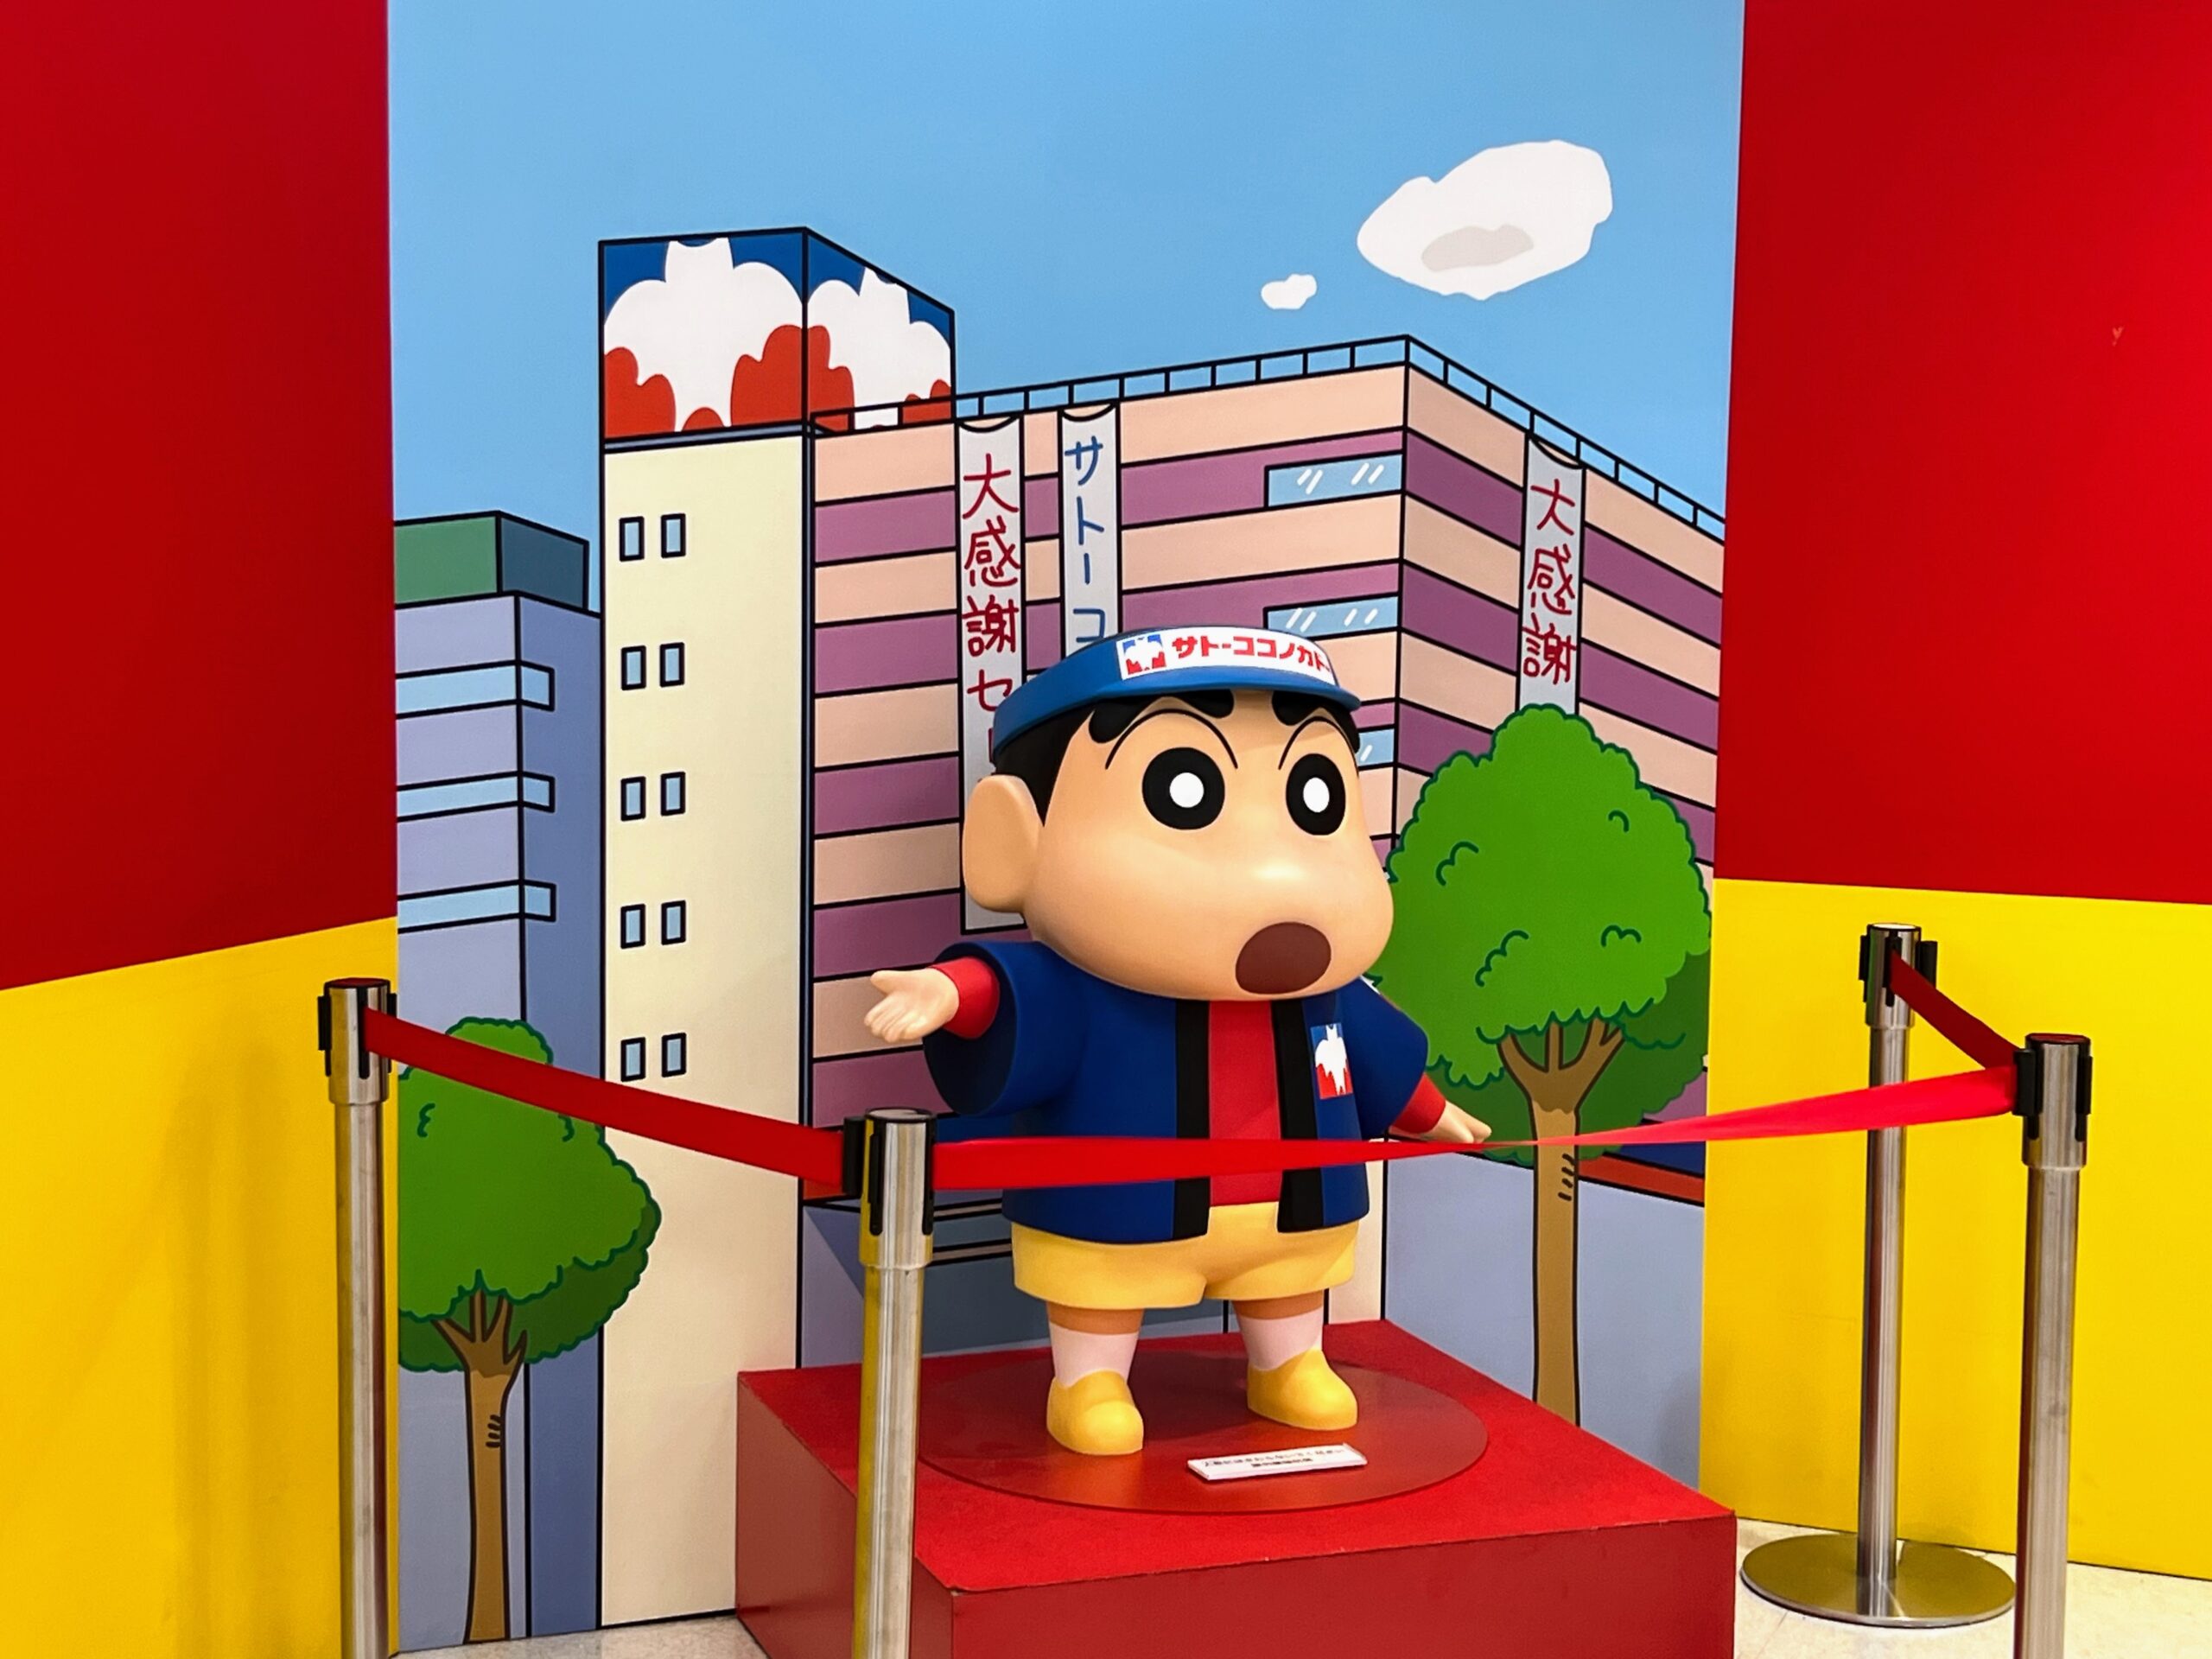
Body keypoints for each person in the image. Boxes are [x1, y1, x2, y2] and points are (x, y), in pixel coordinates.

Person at [865, 626, 1486, 1456]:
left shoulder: (1329, 999)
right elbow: (1012, 998)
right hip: (1120, 1205)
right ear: (1013, 840)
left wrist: (1430, 1111)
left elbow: (1377, 1060)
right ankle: (1088, 1382)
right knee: (1102, 1286)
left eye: (1316, 800)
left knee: (1288, 1282)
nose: (1275, 872)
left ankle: (1288, 1363)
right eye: (1182, 793)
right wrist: (948, 990)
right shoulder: (1088, 989)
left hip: (1289, 1209)